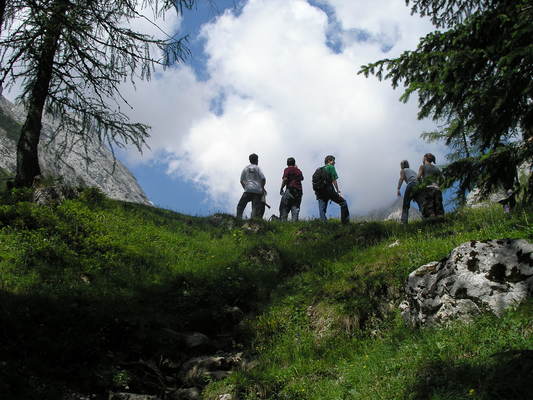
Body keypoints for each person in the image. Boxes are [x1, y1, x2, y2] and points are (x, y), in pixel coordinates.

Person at [314, 155, 349, 224]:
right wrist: (337, 190)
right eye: (333, 160)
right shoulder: (331, 167)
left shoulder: (319, 169)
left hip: (319, 192)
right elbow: (334, 180)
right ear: (329, 161)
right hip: (329, 191)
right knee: (343, 203)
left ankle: (324, 225)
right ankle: (345, 223)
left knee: (322, 210)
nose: (334, 163)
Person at [236, 153, 266, 219]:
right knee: (255, 209)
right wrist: (262, 188)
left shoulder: (245, 168)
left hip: (248, 190)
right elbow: (263, 179)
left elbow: (241, 181)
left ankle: (238, 219)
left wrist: (246, 188)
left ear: (249, 160)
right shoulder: (258, 168)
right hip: (257, 191)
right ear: (257, 160)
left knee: (240, 206)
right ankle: (253, 222)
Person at [417, 153, 444, 219]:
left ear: (425, 158)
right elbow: (442, 179)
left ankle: (432, 224)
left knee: (430, 208)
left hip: (428, 189)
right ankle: (441, 223)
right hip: (437, 189)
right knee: (439, 208)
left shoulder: (422, 166)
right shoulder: (436, 168)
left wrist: (421, 185)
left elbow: (418, 177)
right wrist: (438, 185)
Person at [279, 157, 304, 221]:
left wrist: (281, 188)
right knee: (295, 208)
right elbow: (302, 178)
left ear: (287, 163)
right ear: (294, 163)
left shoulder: (287, 169)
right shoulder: (298, 171)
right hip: (299, 191)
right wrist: (296, 169)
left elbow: (285, 179)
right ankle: (294, 224)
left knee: (284, 207)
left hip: (290, 190)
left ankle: (283, 223)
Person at [397, 160, 419, 224]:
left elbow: (401, 178)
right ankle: (426, 218)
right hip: (418, 185)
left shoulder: (403, 170)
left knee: (406, 204)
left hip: (411, 184)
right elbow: (419, 178)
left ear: (402, 165)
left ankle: (404, 222)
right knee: (420, 202)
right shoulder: (413, 171)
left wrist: (398, 188)